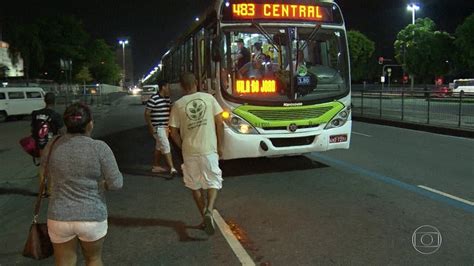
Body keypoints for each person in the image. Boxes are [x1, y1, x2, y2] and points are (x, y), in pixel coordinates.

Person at [42, 103, 123, 266]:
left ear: (67, 124)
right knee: (93, 259)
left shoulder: (52, 145)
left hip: (59, 216)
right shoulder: (100, 148)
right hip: (91, 216)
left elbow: (45, 173)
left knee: (64, 262)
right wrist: (101, 185)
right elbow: (116, 184)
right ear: (90, 123)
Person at [169, 73, 224, 235]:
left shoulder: (178, 105)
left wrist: (182, 146)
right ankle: (209, 209)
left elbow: (173, 132)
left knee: (195, 186)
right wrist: (220, 146)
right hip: (209, 148)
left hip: (189, 151)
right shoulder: (209, 98)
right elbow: (219, 124)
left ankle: (204, 217)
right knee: (213, 181)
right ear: (197, 83)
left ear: (181, 86)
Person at [144, 80, 178, 177]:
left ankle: (156, 166)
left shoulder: (167, 99)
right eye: (168, 87)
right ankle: (172, 168)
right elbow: (147, 113)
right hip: (158, 127)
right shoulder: (154, 98)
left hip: (165, 127)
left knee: (159, 147)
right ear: (163, 87)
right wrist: (151, 127)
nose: (169, 89)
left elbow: (170, 109)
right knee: (166, 146)